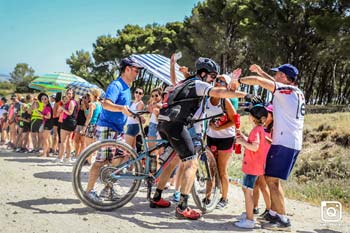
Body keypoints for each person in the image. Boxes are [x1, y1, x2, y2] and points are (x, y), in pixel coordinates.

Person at [149, 57, 247, 220]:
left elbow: (175, 83)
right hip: (177, 125)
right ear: (203, 74)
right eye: (212, 76)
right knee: (192, 163)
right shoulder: (199, 84)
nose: (213, 80)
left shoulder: (184, 83)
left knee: (173, 160)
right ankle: (182, 207)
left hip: (165, 122)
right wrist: (246, 94)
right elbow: (218, 92)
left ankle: (157, 197)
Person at [231, 63, 305, 231]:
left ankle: (283, 220)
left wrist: (237, 81)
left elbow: (259, 82)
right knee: (272, 179)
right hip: (288, 141)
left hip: (284, 142)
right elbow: (269, 81)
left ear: (284, 78)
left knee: (272, 181)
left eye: (278, 74)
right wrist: (261, 72)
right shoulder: (294, 91)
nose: (275, 77)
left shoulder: (285, 91)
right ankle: (273, 213)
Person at [85, 56, 144, 201]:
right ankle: (89, 191)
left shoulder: (127, 88)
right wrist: (122, 109)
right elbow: (106, 104)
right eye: (136, 70)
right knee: (101, 161)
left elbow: (124, 109)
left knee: (123, 156)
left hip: (118, 129)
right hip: (107, 127)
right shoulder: (116, 85)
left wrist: (136, 115)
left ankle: (107, 188)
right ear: (127, 69)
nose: (137, 74)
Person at [203, 74, 238, 209]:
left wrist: (219, 127)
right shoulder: (206, 100)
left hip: (226, 139)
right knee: (211, 169)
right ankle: (207, 197)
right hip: (211, 137)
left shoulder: (225, 101)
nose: (218, 83)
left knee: (222, 170)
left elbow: (235, 120)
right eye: (217, 80)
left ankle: (224, 198)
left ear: (226, 86)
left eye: (222, 82)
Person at [234, 105, 269, 229]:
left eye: (250, 114)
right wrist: (243, 137)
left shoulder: (256, 131)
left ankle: (249, 220)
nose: (248, 116)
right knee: (246, 189)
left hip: (252, 167)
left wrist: (241, 142)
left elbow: (254, 147)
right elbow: (253, 143)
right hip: (254, 166)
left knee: (248, 191)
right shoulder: (259, 129)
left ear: (254, 118)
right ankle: (249, 214)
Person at [253, 104, 273, 217]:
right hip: (257, 158)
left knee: (262, 185)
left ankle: (269, 208)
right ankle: (255, 207)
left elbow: (274, 142)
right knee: (255, 184)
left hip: (265, 160)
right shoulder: (261, 126)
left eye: (268, 113)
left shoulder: (274, 128)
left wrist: (262, 137)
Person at [81, 88, 102, 162]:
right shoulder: (100, 104)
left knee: (88, 146)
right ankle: (90, 160)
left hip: (91, 126)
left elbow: (89, 117)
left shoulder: (92, 104)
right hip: (97, 126)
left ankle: (89, 161)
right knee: (93, 146)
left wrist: (84, 127)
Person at [58, 88, 78, 163]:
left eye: (70, 93)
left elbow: (70, 112)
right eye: (68, 93)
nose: (68, 94)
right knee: (68, 141)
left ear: (73, 94)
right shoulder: (70, 102)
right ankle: (67, 158)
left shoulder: (71, 102)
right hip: (71, 122)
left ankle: (60, 157)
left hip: (68, 122)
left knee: (63, 141)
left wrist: (62, 108)